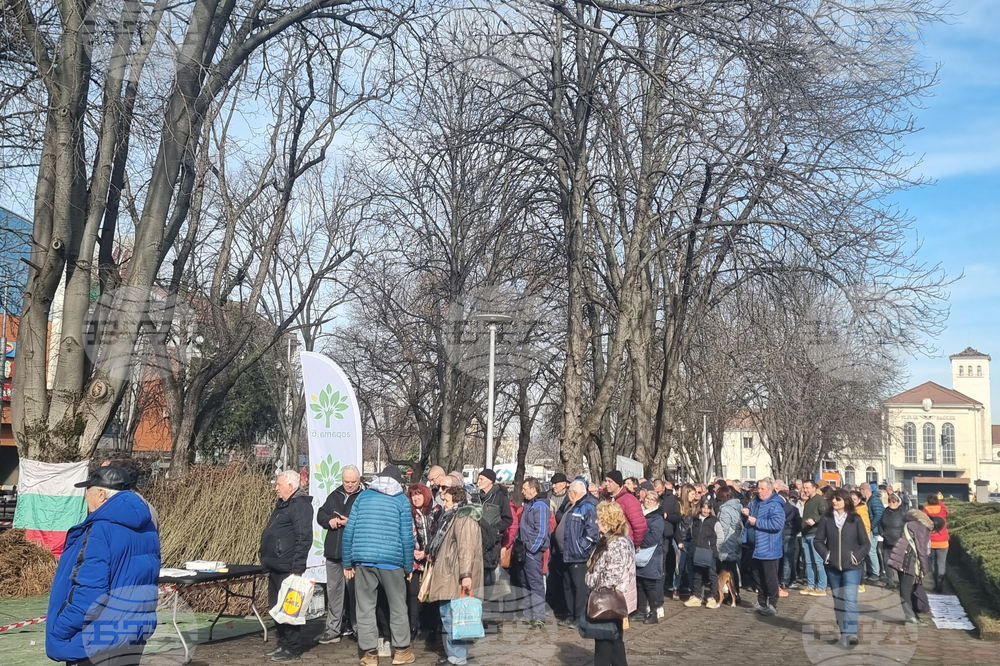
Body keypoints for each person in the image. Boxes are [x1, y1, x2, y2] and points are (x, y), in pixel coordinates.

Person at [46, 466, 159, 666]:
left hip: (95, 638)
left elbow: (89, 592)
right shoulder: (147, 528)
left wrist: (60, 629)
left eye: (88, 490)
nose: (85, 496)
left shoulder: (100, 529)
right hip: (132, 633)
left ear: (101, 494)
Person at [341, 465, 415, 666]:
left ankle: (370, 654)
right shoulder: (401, 500)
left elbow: (349, 531)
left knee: (365, 607)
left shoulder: (363, 497)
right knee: (398, 606)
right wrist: (408, 567)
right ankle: (401, 652)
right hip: (392, 561)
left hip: (363, 559)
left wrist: (347, 562)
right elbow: (407, 537)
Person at [425, 485, 484, 666]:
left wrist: (466, 574)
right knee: (448, 617)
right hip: (449, 574)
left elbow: (466, 548)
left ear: (457, 500)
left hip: (455, 574)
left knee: (453, 618)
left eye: (447, 500)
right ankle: (453, 655)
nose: (444, 503)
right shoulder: (453, 517)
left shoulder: (463, 518)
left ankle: (457, 658)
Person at [258, 470, 313, 661]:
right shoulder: (282, 504)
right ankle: (282, 644)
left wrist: (298, 566)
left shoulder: (300, 504)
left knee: (289, 608)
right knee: (275, 607)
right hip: (275, 564)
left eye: (279, 484)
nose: (276, 488)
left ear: (290, 485)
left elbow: (304, 536)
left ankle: (293, 647)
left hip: (288, 566)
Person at [813, 488, 870, 647]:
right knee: (839, 601)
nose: (834, 501)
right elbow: (818, 541)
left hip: (852, 567)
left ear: (846, 501)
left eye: (838, 499)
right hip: (833, 568)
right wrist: (827, 555)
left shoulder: (855, 519)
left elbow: (865, 543)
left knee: (850, 599)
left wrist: (855, 557)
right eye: (833, 499)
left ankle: (851, 634)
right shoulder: (827, 518)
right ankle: (844, 633)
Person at [583, 501, 636, 666]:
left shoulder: (617, 543)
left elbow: (611, 577)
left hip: (610, 600)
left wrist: (590, 578)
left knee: (604, 644)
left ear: (608, 521)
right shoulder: (614, 540)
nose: (596, 521)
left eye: (599, 519)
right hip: (614, 598)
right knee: (614, 642)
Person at [316, 464, 364, 644]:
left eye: (353, 482)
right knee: (334, 592)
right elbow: (320, 514)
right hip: (333, 552)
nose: (349, 485)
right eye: (346, 482)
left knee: (356, 593)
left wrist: (349, 522)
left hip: (353, 554)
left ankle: (358, 629)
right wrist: (329, 520)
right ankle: (333, 629)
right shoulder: (334, 495)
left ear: (359, 480)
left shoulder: (363, 497)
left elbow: (367, 521)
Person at [559, 480, 600, 627]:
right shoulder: (573, 506)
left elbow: (592, 533)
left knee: (580, 588)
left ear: (574, 493)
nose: (567, 495)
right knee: (568, 586)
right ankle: (570, 615)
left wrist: (581, 548)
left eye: (569, 492)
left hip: (579, 556)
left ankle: (580, 617)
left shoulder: (587, 507)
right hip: (567, 553)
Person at [742, 478, 784, 616]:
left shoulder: (775, 505)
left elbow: (777, 524)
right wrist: (747, 510)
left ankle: (772, 605)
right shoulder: (756, 501)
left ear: (770, 490)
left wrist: (757, 522)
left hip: (768, 548)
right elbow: (752, 510)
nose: (759, 491)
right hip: (754, 547)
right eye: (758, 488)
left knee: (770, 579)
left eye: (762, 489)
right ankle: (761, 603)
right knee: (758, 577)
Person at [887, 509, 934, 625]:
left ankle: (912, 615)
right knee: (906, 589)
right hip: (908, 560)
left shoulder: (909, 523)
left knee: (906, 588)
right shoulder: (922, 527)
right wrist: (924, 569)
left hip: (900, 558)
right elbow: (922, 550)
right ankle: (910, 616)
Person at [518, 477, 551, 628]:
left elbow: (541, 531)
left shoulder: (540, 506)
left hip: (532, 551)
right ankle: (527, 614)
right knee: (525, 583)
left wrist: (532, 549)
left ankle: (539, 616)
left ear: (533, 489)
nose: (522, 491)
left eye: (525, 489)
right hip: (523, 549)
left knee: (535, 583)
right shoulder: (528, 505)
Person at [406, 482, 434, 640]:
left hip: (431, 557)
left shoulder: (435, 511)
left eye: (419, 494)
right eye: (413, 495)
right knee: (413, 593)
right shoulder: (408, 513)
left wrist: (427, 552)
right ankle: (413, 626)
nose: (416, 498)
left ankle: (430, 627)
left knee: (431, 593)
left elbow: (437, 534)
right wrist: (414, 552)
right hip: (414, 558)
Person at [685, 497, 721, 609]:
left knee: (712, 575)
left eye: (708, 508)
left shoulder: (714, 521)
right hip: (697, 550)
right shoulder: (695, 520)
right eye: (704, 508)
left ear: (710, 509)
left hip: (709, 551)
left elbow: (721, 536)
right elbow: (691, 533)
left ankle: (713, 597)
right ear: (700, 508)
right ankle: (696, 596)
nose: (705, 510)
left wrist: (715, 547)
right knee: (697, 574)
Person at [635, 489, 665, 621]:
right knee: (640, 583)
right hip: (639, 554)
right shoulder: (639, 514)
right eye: (647, 498)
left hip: (652, 555)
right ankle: (641, 611)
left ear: (656, 502)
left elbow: (654, 537)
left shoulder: (657, 518)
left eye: (652, 499)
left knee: (650, 584)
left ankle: (654, 612)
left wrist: (639, 542)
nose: (649, 501)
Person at [547, 472, 571, 620]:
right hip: (550, 539)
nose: (554, 486)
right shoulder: (548, 496)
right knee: (551, 573)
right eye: (553, 483)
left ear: (564, 484)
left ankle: (563, 605)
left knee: (563, 573)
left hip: (564, 541)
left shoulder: (569, 498)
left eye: (556, 483)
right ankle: (552, 602)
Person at [715, 484, 743, 605]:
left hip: (727, 542)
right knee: (733, 569)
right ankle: (735, 594)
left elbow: (723, 529)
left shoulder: (725, 510)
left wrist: (718, 544)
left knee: (727, 570)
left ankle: (732, 594)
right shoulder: (737, 506)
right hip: (736, 540)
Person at [799, 480, 828, 597]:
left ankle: (821, 587)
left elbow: (826, 515)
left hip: (816, 535)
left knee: (818, 562)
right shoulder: (808, 502)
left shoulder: (820, 500)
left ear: (814, 488)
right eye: (804, 488)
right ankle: (810, 585)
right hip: (805, 534)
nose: (805, 490)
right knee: (808, 562)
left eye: (807, 488)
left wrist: (815, 520)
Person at [604, 471, 646, 548]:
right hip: (610, 544)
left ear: (617, 483)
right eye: (606, 481)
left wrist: (634, 544)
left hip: (625, 545)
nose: (606, 484)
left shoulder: (629, 500)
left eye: (610, 481)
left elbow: (640, 526)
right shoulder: (608, 499)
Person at [672, 483, 696, 600]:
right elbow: (677, 525)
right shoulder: (679, 506)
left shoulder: (693, 507)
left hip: (690, 539)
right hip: (681, 539)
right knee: (679, 566)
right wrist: (679, 541)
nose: (694, 496)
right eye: (692, 494)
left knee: (690, 566)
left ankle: (691, 588)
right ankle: (676, 588)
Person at [922, 494, 949, 592]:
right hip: (943, 541)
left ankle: (936, 583)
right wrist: (939, 502)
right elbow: (947, 511)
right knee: (941, 563)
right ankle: (940, 582)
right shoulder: (942, 510)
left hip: (931, 541)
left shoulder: (925, 511)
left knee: (933, 563)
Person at [659, 480, 681, 598]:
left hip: (666, 534)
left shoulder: (672, 499)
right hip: (654, 534)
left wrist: (667, 516)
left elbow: (677, 517)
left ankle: (661, 589)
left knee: (663, 561)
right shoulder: (653, 497)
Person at [879, 494, 906, 591]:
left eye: (894, 502)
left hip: (899, 541)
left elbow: (906, 525)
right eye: (890, 502)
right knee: (887, 561)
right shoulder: (885, 512)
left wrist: (903, 537)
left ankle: (902, 583)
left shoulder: (903, 512)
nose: (891, 504)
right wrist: (882, 532)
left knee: (899, 562)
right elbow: (880, 523)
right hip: (887, 539)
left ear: (898, 502)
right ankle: (890, 581)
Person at [779, 490, 802, 596]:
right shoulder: (794, 509)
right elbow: (799, 523)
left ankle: (781, 579)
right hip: (790, 534)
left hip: (779, 535)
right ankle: (785, 581)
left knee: (780, 559)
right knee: (789, 559)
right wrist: (794, 532)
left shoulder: (777, 508)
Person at [861, 484, 884, 583]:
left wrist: (871, 526)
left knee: (871, 550)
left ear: (864, 490)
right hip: (870, 529)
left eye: (860, 490)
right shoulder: (869, 500)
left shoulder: (874, 500)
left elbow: (879, 514)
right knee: (868, 550)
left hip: (873, 530)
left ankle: (875, 572)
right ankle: (870, 571)